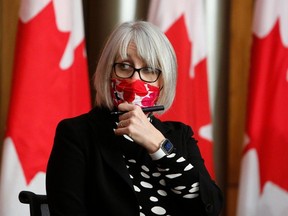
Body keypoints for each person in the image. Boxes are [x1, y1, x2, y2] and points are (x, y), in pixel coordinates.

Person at [46, 20, 223, 216]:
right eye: (124, 66)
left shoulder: (179, 136)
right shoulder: (77, 134)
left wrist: (160, 147)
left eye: (149, 70)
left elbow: (210, 207)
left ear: (163, 81)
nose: (134, 80)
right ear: (107, 72)